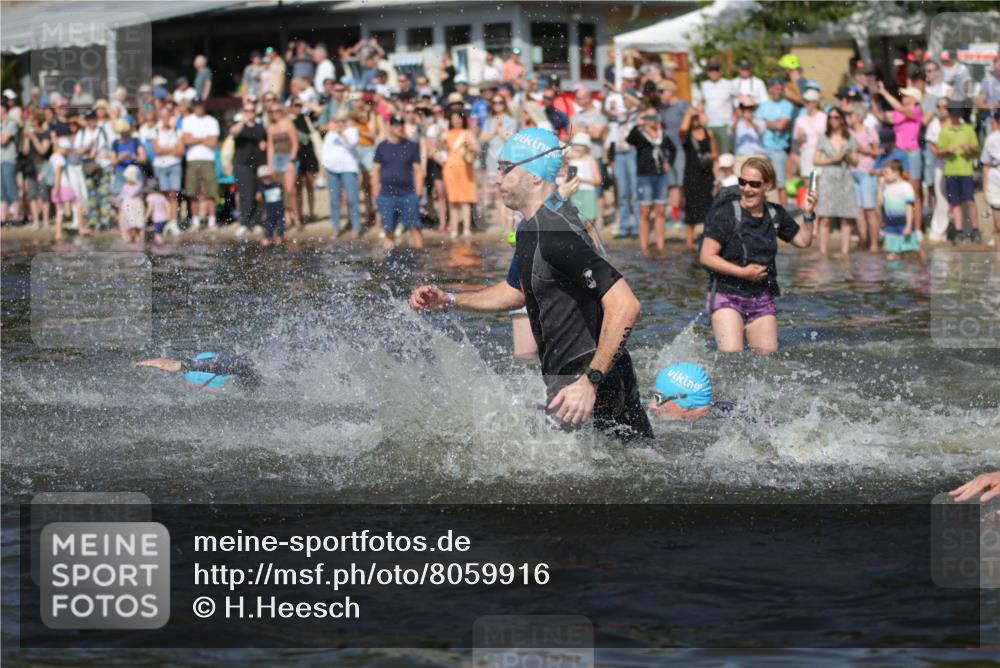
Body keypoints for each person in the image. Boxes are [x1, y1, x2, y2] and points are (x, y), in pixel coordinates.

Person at [409, 128, 652, 442]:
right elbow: (516, 291)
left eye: (506, 168)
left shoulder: (558, 233)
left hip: (591, 382)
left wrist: (589, 381)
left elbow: (625, 304)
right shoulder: (530, 228)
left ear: (536, 177)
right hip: (570, 380)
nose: (495, 178)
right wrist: (451, 300)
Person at [700, 156, 816, 354]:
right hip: (727, 294)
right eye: (742, 182)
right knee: (732, 356)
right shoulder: (727, 214)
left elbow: (803, 241)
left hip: (762, 298)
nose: (747, 189)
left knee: (767, 358)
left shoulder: (775, 213)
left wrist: (808, 214)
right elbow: (706, 257)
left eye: (754, 184)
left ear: (767, 186)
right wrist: (742, 272)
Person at [874, 82, 924, 229]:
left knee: (914, 192)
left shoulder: (916, 110)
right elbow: (880, 115)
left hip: (912, 154)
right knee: (897, 189)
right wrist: (874, 97)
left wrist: (884, 93)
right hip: (899, 154)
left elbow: (900, 108)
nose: (903, 97)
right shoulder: (899, 114)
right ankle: (901, 225)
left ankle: (918, 228)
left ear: (914, 99)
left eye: (906, 95)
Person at [627, 110, 676, 256]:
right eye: (649, 118)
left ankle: (661, 245)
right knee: (645, 211)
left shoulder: (662, 134)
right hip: (645, 176)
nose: (653, 120)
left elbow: (673, 150)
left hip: (660, 175)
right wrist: (638, 124)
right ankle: (644, 246)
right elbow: (630, 139)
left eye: (655, 117)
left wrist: (669, 162)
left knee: (660, 210)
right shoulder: (640, 134)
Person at [814, 107, 860, 256]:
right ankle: (823, 251)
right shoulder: (823, 137)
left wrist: (846, 154)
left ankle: (845, 252)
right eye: (831, 117)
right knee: (825, 217)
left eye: (836, 117)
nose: (833, 120)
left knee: (847, 217)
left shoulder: (849, 138)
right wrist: (833, 159)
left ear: (842, 119)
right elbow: (815, 160)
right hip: (828, 177)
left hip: (845, 177)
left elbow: (856, 162)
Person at [373, 115, 423, 250]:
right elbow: (376, 170)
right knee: (388, 230)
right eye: (395, 124)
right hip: (386, 195)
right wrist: (375, 193)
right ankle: (388, 265)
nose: (399, 127)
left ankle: (420, 261)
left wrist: (418, 192)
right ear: (389, 126)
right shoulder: (381, 147)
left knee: (414, 228)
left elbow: (418, 170)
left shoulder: (411, 146)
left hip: (408, 194)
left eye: (401, 124)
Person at [935, 99, 980, 244]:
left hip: (966, 171)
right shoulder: (945, 130)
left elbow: (977, 152)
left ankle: (975, 230)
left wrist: (970, 148)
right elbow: (939, 152)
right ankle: (959, 231)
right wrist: (947, 150)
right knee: (955, 203)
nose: (955, 116)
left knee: (970, 201)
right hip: (951, 171)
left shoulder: (968, 129)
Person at [605, 66, 641, 238]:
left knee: (635, 190)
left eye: (633, 81)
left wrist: (622, 93)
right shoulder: (614, 97)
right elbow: (609, 114)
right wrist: (611, 105)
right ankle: (625, 226)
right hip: (619, 150)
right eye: (628, 80)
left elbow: (639, 105)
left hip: (633, 150)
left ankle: (637, 227)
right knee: (623, 191)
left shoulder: (636, 95)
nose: (630, 83)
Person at [647, 363, 741, 421]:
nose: (651, 406)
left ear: (685, 405)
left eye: (659, 398)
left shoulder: (726, 423)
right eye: (655, 396)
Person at [679, 106, 717, 251]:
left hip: (706, 176)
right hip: (691, 176)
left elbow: (715, 154)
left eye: (697, 117)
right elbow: (682, 130)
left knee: (709, 209)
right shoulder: (686, 135)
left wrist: (709, 158)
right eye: (693, 118)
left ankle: (707, 241)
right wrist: (689, 113)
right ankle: (689, 243)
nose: (695, 120)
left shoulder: (708, 133)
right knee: (691, 209)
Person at [321, 110, 362, 238]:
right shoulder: (330, 134)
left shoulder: (352, 131)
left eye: (343, 121)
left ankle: (356, 226)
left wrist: (341, 132)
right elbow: (324, 152)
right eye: (338, 121)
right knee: (334, 200)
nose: (340, 123)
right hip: (332, 170)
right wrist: (322, 169)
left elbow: (351, 143)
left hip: (348, 169)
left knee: (352, 199)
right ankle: (336, 228)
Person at [230, 98, 267, 237]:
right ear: (243, 111)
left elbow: (265, 141)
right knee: (246, 194)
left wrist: (264, 146)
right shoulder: (239, 125)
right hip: (242, 164)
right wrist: (244, 120)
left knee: (258, 194)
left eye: (252, 110)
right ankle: (244, 222)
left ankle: (256, 222)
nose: (250, 113)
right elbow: (233, 132)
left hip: (257, 165)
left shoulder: (260, 127)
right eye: (247, 110)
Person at [481, 97, 518, 233]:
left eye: (500, 102)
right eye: (495, 102)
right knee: (498, 194)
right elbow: (482, 138)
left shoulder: (511, 120)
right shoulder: (489, 121)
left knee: (508, 192)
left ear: (504, 104)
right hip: (492, 160)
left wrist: (500, 130)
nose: (497, 105)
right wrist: (494, 130)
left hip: (506, 159)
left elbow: (511, 138)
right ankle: (504, 225)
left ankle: (510, 225)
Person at [755, 78, 794, 207]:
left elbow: (781, 126)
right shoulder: (763, 105)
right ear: (770, 89)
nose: (778, 91)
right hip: (762, 149)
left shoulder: (787, 105)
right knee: (763, 183)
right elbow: (756, 123)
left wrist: (764, 121)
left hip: (778, 150)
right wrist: (773, 123)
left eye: (781, 88)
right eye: (776, 88)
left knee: (781, 183)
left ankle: (784, 213)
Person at [133, 352, 262, 391]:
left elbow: (168, 364)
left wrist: (142, 363)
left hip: (237, 367)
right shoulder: (214, 360)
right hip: (245, 362)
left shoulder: (200, 365)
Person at [183, 99, 220, 230]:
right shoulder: (187, 120)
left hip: (208, 159)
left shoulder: (212, 121)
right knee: (193, 192)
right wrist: (205, 138)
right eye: (196, 105)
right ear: (193, 106)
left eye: (200, 105)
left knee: (211, 191)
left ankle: (212, 222)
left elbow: (213, 143)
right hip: (192, 159)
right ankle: (195, 222)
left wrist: (196, 139)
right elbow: (186, 140)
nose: (198, 107)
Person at [848, 104, 880, 252]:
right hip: (852, 173)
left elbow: (876, 152)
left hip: (867, 172)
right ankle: (863, 239)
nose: (849, 118)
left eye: (852, 115)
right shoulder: (848, 132)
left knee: (869, 210)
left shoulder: (869, 131)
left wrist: (861, 149)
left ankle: (873, 242)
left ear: (859, 117)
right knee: (859, 211)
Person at [878, 159, 924, 262]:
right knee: (891, 252)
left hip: (904, 223)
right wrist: (880, 187)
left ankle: (923, 265)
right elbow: (880, 203)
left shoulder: (905, 187)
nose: (884, 176)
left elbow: (909, 208)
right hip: (890, 224)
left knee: (914, 248)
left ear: (896, 173)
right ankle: (894, 275)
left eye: (886, 173)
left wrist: (908, 226)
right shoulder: (886, 187)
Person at [657, 81, 689, 226]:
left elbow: (697, 116)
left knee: (682, 183)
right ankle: (675, 215)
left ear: (671, 92)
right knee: (672, 184)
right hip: (668, 151)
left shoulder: (683, 105)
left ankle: (683, 214)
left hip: (682, 149)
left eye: (662, 91)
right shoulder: (662, 108)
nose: (659, 94)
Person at [443, 109, 478, 238]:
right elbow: (436, 149)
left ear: (462, 120)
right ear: (450, 120)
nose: (456, 121)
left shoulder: (467, 134)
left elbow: (477, 148)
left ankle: (466, 228)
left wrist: (471, 147)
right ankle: (454, 228)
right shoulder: (446, 133)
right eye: (454, 118)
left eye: (458, 118)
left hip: (465, 169)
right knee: (453, 200)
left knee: (466, 200)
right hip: (450, 169)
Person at [265, 102, 299, 229]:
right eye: (272, 112)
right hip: (276, 159)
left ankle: (296, 217)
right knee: (279, 190)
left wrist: (291, 161)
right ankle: (286, 217)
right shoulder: (271, 127)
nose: (275, 114)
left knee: (290, 190)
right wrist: (270, 164)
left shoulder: (288, 124)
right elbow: (270, 148)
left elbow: (295, 144)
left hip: (288, 157)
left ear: (281, 111)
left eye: (277, 111)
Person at [567, 133, 602, 240]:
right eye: (576, 145)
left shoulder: (591, 160)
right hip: (575, 194)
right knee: (577, 225)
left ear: (586, 147)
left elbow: (598, 180)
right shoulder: (570, 161)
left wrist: (581, 180)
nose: (577, 148)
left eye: (580, 145)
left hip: (588, 194)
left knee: (590, 224)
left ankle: (595, 249)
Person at [290, 99, 319, 223]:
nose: (298, 108)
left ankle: (312, 213)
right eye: (296, 105)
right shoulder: (289, 121)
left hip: (309, 153)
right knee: (298, 187)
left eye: (299, 106)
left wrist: (304, 102)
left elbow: (319, 110)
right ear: (291, 107)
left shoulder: (306, 117)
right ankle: (299, 215)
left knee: (310, 185)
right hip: (296, 155)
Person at [698, 60, 735, 156]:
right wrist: (701, 115)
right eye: (711, 70)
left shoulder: (729, 84)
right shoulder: (704, 85)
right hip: (709, 125)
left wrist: (735, 120)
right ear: (707, 72)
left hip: (724, 125)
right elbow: (701, 103)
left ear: (720, 71)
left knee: (726, 156)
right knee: (711, 155)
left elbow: (738, 103)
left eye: (716, 69)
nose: (714, 72)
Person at [793, 89, 827, 179]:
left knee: (819, 183)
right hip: (806, 153)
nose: (806, 103)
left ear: (816, 102)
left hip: (821, 153)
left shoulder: (824, 117)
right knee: (808, 185)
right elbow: (797, 143)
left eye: (809, 101)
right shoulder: (800, 119)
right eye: (805, 101)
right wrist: (800, 137)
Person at [980, 110, 1000, 255]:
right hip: (995, 181)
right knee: (998, 224)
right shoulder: (991, 139)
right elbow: (985, 165)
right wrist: (985, 188)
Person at [255, 165, 285, 247]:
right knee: (267, 235)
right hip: (269, 214)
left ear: (271, 176)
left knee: (280, 233)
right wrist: (259, 199)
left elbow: (284, 199)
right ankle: (268, 242)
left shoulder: (278, 185)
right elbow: (261, 203)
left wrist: (288, 213)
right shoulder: (261, 188)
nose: (266, 179)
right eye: (263, 178)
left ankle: (279, 242)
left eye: (267, 177)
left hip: (280, 213)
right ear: (260, 179)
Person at [117, 164, 145, 243]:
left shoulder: (138, 185)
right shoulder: (125, 185)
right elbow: (121, 196)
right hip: (126, 207)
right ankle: (127, 242)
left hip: (135, 207)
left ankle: (139, 241)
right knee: (127, 226)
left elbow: (130, 193)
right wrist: (117, 200)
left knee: (138, 226)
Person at [144, 177, 170, 244]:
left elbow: (150, 208)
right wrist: (168, 215)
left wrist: (146, 217)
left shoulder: (150, 197)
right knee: (160, 233)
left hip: (157, 219)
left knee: (157, 234)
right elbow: (168, 206)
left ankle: (161, 247)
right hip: (164, 218)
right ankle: (163, 244)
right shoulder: (162, 196)